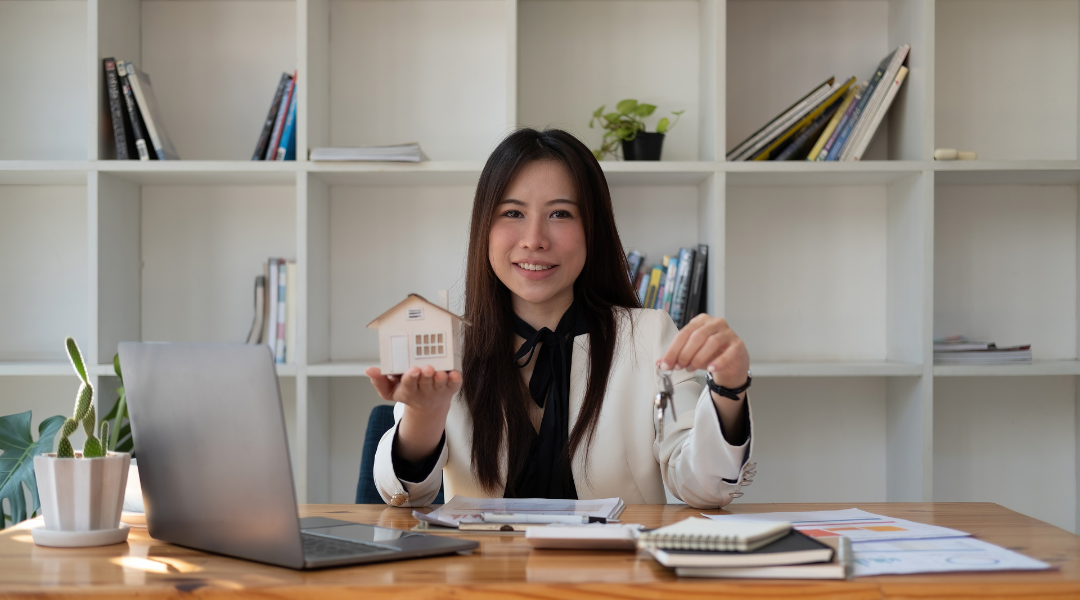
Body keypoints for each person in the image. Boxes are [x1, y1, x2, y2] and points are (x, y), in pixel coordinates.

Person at [368, 128, 754, 508]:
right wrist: (424, 415)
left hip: (618, 552)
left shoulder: (649, 335)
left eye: (560, 213)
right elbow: (405, 496)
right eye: (513, 212)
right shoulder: (447, 341)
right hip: (484, 553)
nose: (534, 239)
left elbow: (705, 487)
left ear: (592, 229)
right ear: (484, 227)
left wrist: (729, 387)